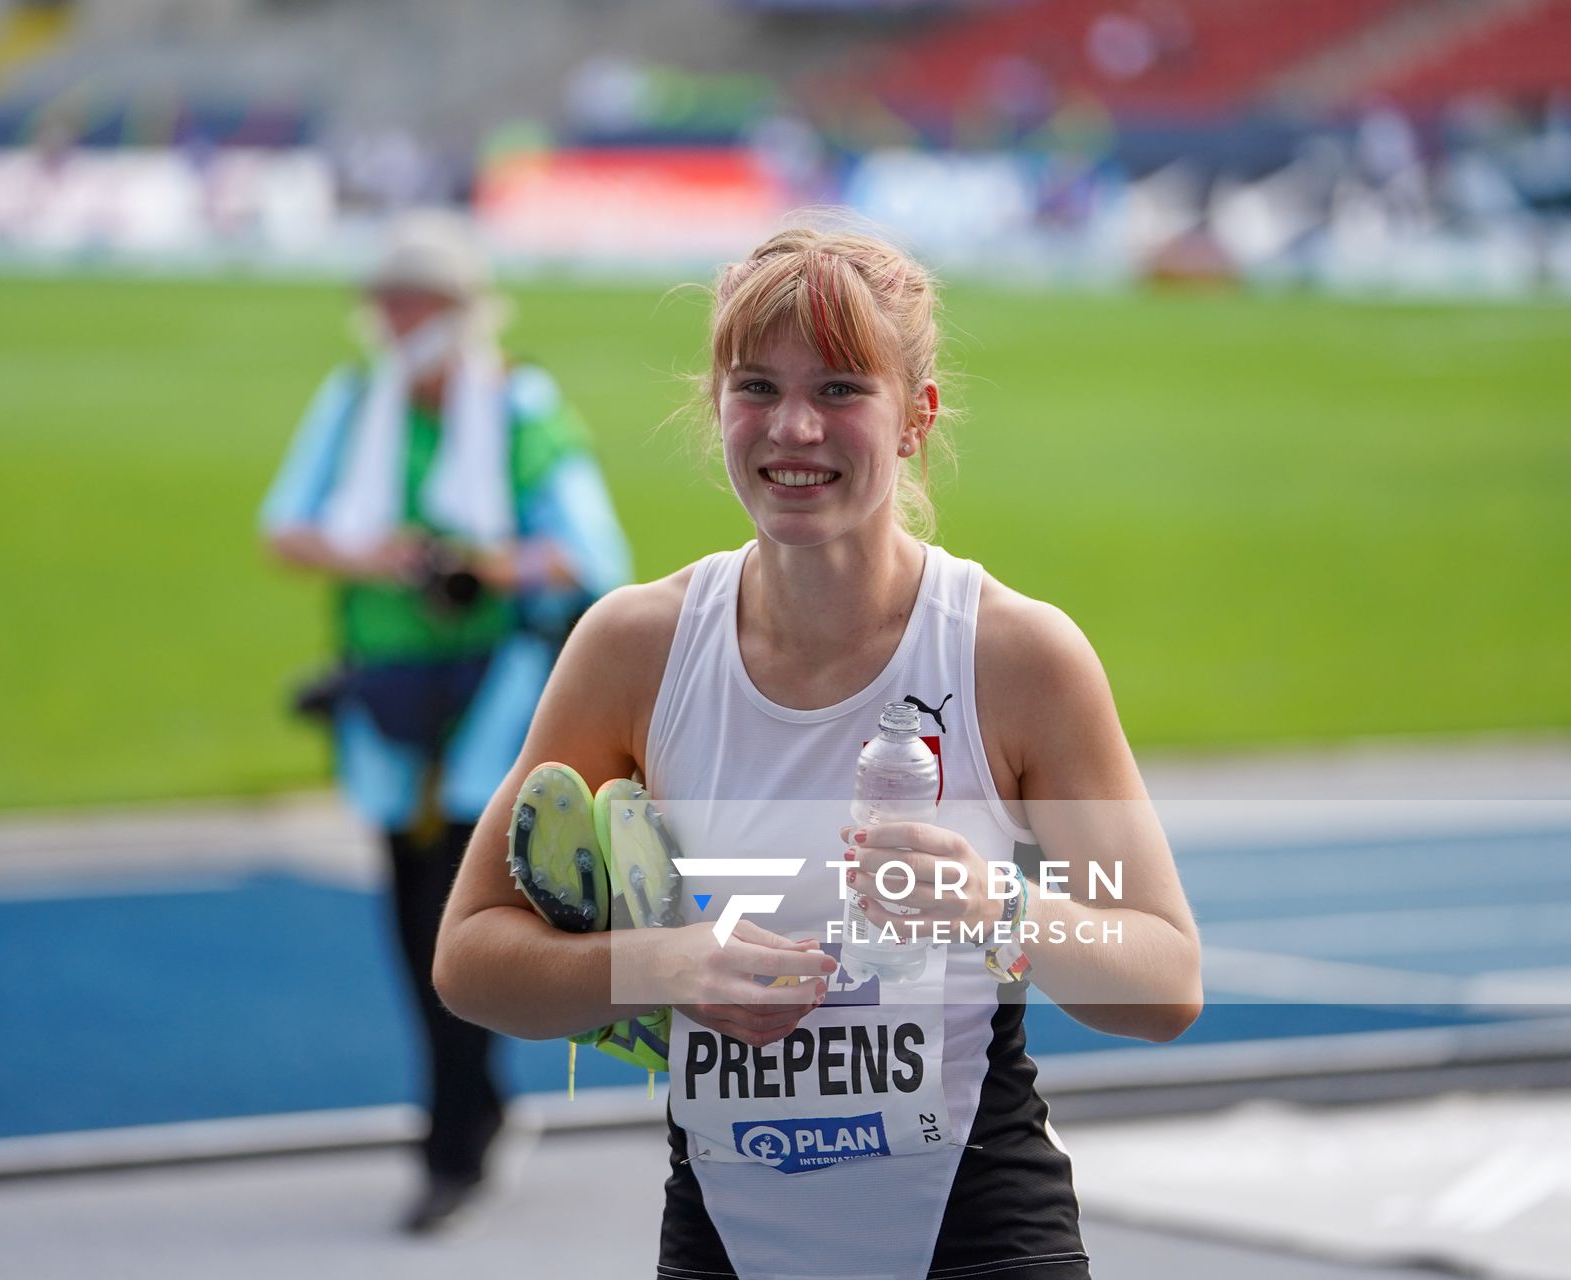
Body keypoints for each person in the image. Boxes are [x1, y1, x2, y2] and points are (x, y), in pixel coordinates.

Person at [433, 225, 1203, 1279]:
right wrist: (661, 968)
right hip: (727, 1245)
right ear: (717, 406)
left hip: (977, 1240)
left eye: (841, 388)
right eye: (757, 385)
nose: (794, 427)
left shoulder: (1015, 655)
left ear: (916, 417)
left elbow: (1165, 977)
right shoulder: (634, 647)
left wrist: (996, 911)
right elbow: (471, 956)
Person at [258, 211, 633, 1234]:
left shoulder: (521, 407)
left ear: (461, 311)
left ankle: (453, 1138)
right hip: (386, 697)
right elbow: (287, 529)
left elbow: (592, 555)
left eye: (414, 301)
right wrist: (384, 556)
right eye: (387, 300)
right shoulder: (353, 402)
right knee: (407, 922)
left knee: (451, 925)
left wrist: (480, 567)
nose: (395, 318)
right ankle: (475, 1109)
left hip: (492, 701)